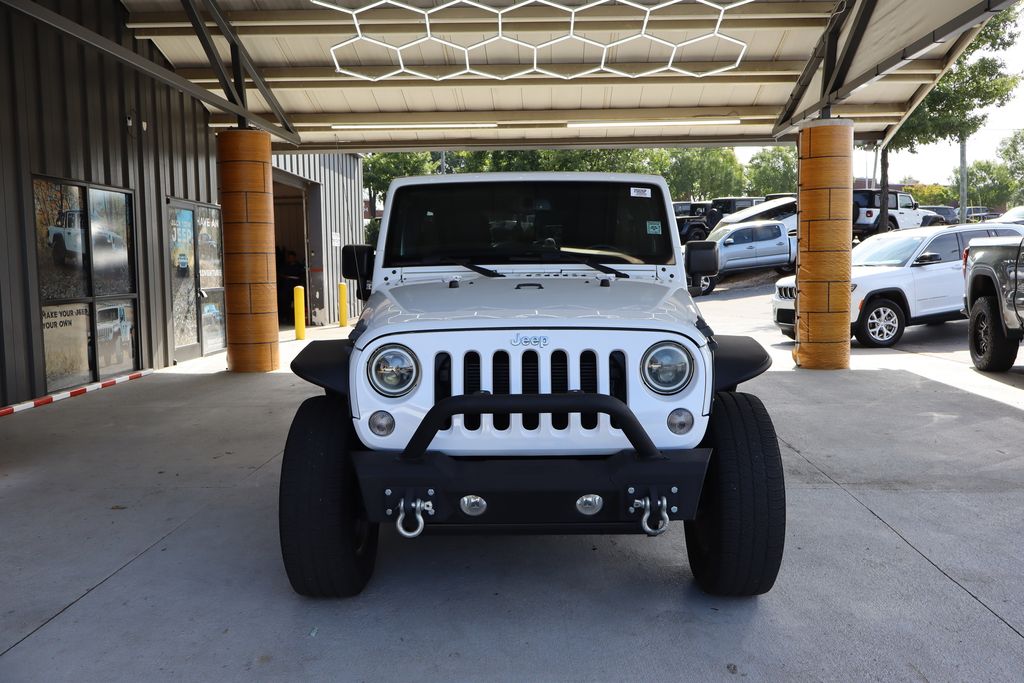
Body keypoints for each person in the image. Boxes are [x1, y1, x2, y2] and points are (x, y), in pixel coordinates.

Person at [278, 250, 305, 324]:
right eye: (289, 257)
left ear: (295, 258)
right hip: (287, 287)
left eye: (292, 257)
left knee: (296, 304)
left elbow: (302, 275)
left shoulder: (299, 266)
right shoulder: (285, 266)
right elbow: (281, 274)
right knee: (286, 303)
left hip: (296, 287)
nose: (291, 259)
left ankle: (296, 319)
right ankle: (287, 318)